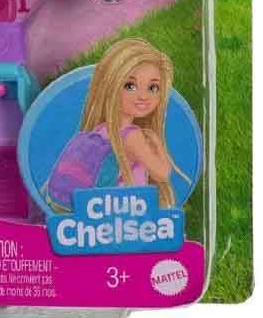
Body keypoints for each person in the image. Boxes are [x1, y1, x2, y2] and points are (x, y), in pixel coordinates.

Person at [46, 38, 189, 211]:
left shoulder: (100, 130)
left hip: (94, 210)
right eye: (130, 86)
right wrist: (158, 144)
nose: (143, 96)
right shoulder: (132, 136)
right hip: (123, 212)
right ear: (110, 87)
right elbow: (162, 173)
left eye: (153, 88)